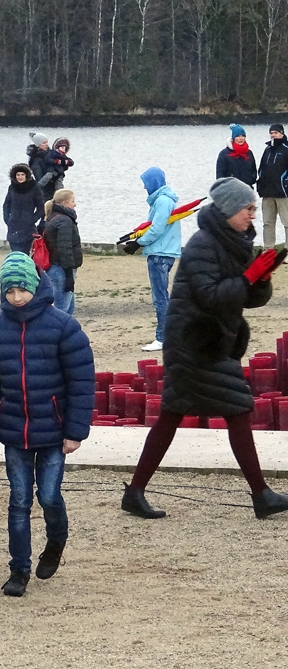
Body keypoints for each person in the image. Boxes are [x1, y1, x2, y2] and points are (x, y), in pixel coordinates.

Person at [121, 178, 288, 521]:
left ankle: (135, 492)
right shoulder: (202, 245)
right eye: (248, 209)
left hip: (211, 341)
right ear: (228, 210)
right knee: (235, 408)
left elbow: (247, 298)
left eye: (254, 209)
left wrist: (263, 277)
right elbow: (212, 296)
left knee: (175, 414)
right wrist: (248, 277)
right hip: (194, 343)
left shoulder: (232, 242)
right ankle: (262, 496)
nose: (253, 216)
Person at [0, 252, 95, 597]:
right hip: (15, 433)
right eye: (9, 292)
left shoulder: (64, 326)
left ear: (36, 286)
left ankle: (56, 540)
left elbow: (81, 381)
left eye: (22, 290)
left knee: (50, 495)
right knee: (19, 500)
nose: (16, 298)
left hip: (55, 432)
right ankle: (19, 570)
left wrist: (75, 431)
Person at [122, 167, 180, 352]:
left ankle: (163, 338)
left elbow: (157, 228)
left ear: (153, 183)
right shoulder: (163, 200)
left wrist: (138, 243)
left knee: (160, 297)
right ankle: (171, 335)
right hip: (163, 251)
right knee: (162, 296)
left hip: (160, 253)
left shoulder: (163, 201)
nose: (144, 188)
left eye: (146, 184)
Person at [43, 189, 83, 315]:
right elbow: (64, 249)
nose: (75, 204)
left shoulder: (54, 217)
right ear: (65, 203)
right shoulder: (64, 221)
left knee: (67, 310)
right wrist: (69, 274)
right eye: (73, 201)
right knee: (61, 311)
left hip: (57, 267)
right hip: (61, 269)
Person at [257, 123, 288, 249]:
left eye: (275, 132)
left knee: (287, 223)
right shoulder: (268, 149)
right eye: (271, 133)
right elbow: (261, 168)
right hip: (267, 192)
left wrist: (284, 182)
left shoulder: (286, 148)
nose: (273, 135)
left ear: (282, 133)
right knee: (267, 223)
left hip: (283, 192)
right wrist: (261, 183)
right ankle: (268, 249)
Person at [3, 164, 46, 254]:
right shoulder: (12, 187)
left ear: (27, 175)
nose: (20, 177)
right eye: (18, 175)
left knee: (25, 253)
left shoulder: (34, 188)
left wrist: (32, 219)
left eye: (22, 175)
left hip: (28, 227)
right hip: (13, 225)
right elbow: (6, 205)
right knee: (14, 252)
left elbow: (41, 207)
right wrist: (7, 219)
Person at [26, 132, 55, 201]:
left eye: (47, 142)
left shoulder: (50, 155)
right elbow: (39, 179)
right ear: (38, 145)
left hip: (53, 188)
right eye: (44, 143)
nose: (47, 144)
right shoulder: (35, 160)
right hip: (45, 192)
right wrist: (50, 175)